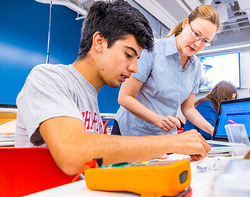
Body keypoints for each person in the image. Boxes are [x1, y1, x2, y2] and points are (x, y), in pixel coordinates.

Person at [14, 0, 211, 175]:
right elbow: (72, 154)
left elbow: (94, 164)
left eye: (137, 59)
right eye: (128, 55)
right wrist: (171, 143)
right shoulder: (47, 77)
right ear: (99, 41)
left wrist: (148, 154)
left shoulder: (90, 98)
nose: (134, 68)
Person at [112, 5, 221, 137]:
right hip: (132, 133)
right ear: (186, 24)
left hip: (164, 137)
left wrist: (216, 132)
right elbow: (124, 97)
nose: (198, 44)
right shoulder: (153, 50)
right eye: (196, 34)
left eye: (205, 41)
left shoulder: (196, 67)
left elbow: (188, 109)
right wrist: (157, 119)